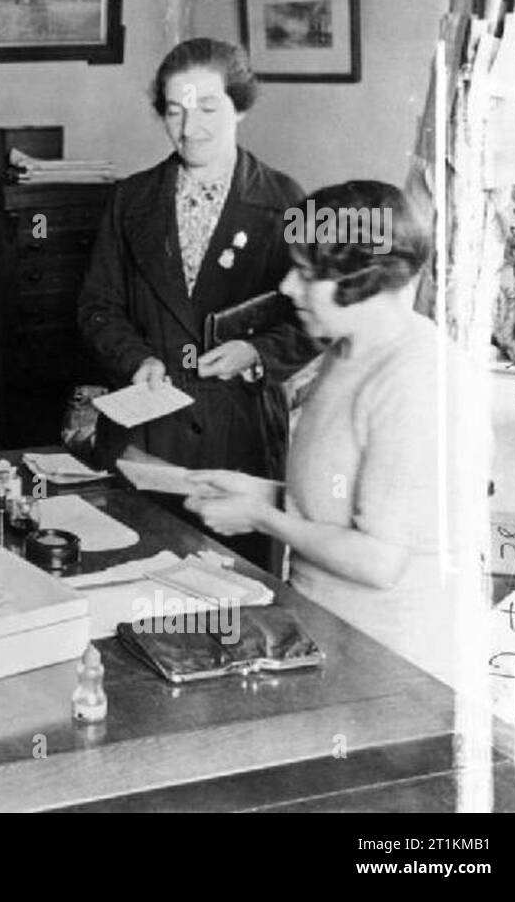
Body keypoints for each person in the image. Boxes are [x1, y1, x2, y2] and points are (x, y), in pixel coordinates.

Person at [184, 181, 485, 688]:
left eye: (304, 273)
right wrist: (254, 490)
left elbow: (379, 559)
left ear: (363, 279)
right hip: (325, 635)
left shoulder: (421, 380)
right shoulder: (344, 353)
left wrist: (261, 516)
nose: (285, 288)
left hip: (394, 669)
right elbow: (340, 500)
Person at [77, 37, 317, 566]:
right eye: (175, 111)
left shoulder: (284, 200)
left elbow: (314, 320)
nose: (190, 128)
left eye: (208, 108)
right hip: (146, 433)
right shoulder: (131, 199)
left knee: (235, 600)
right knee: (130, 580)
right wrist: (135, 358)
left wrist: (256, 354)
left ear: (241, 107)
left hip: (240, 438)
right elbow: (98, 306)